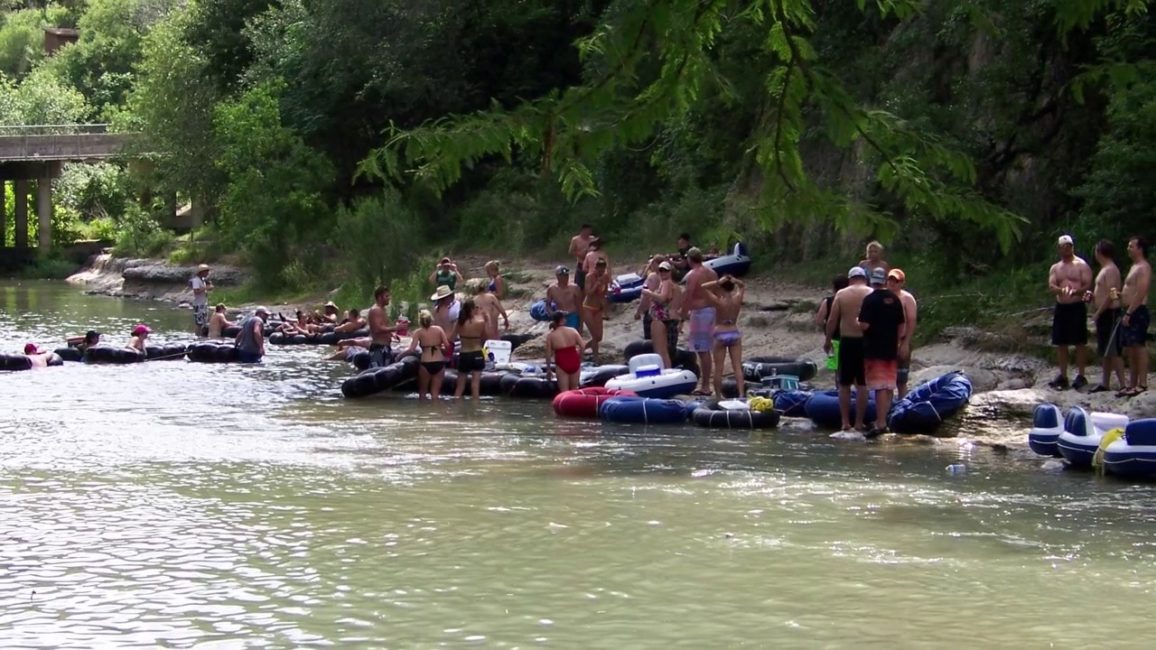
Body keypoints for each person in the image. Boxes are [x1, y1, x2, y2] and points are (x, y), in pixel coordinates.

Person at [858, 268, 906, 437]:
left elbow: (864, 325)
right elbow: (902, 325)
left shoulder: (870, 300)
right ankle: (884, 419)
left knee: (878, 387)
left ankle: (880, 422)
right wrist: (898, 340)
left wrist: (857, 322)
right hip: (890, 348)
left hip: (874, 348)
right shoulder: (895, 299)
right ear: (885, 281)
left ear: (871, 281)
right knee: (888, 385)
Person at [824, 267, 873, 432]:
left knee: (844, 383)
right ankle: (859, 422)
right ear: (864, 278)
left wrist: (828, 340)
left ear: (851, 279)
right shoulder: (871, 292)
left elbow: (832, 320)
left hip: (847, 341)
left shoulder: (842, 294)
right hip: (866, 342)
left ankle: (845, 422)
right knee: (862, 384)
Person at [1047, 235, 1093, 390]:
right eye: (1064, 246)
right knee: (1061, 342)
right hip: (1062, 307)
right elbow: (1052, 285)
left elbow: (1087, 284)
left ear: (1073, 246)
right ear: (1059, 248)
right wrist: (1061, 290)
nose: (1067, 248)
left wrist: (1076, 291)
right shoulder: (1056, 267)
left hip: (1076, 306)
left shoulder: (1081, 265)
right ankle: (1063, 375)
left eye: (1069, 245)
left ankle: (1081, 375)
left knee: (1080, 342)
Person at [1088, 240, 1126, 394]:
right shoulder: (1105, 269)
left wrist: (1099, 312)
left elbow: (1112, 293)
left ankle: (1123, 384)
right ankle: (1105, 383)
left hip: (1110, 313)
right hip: (1104, 313)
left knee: (1113, 349)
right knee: (1104, 349)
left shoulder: (1110, 269)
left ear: (1100, 252)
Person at [701, 275, 746, 398]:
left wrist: (717, 282)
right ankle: (741, 394)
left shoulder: (718, 301)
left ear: (721, 288)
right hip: (734, 331)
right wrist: (735, 280)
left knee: (719, 368)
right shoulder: (737, 299)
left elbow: (703, 287)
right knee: (737, 366)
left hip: (720, 332)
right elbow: (742, 286)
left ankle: (718, 396)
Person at [681, 247, 719, 396]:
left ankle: (705, 386)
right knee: (707, 349)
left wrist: (682, 317)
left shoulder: (693, 275)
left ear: (690, 259)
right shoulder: (712, 272)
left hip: (700, 313)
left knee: (702, 350)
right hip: (712, 311)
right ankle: (706, 384)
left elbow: (688, 296)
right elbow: (717, 292)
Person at [1118, 235, 1151, 397]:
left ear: (1140, 249)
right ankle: (1132, 383)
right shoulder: (1134, 266)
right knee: (1130, 348)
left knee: (1139, 346)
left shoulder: (1143, 267)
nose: (1128, 249)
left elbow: (1141, 291)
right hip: (1128, 309)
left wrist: (1130, 311)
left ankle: (1143, 383)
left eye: (1131, 246)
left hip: (1137, 311)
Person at [405, 309, 451, 400]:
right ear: (431, 319)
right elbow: (447, 345)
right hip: (439, 362)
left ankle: (423, 413)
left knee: (422, 394)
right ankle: (434, 412)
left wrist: (400, 355)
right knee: (435, 395)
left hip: (425, 363)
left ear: (420, 321)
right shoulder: (439, 329)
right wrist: (440, 349)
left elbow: (412, 349)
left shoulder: (418, 332)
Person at [641, 260, 678, 370]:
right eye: (660, 271)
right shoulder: (671, 285)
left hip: (660, 318)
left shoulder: (667, 283)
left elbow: (662, 298)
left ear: (670, 272)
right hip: (664, 317)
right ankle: (667, 369)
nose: (662, 273)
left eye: (665, 271)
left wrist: (648, 293)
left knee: (660, 350)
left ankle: (665, 370)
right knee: (663, 350)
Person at [886, 269, 918, 397]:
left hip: (901, 340)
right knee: (886, 379)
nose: (892, 283)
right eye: (890, 280)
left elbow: (911, 321)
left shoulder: (907, 298)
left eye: (896, 281)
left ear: (902, 283)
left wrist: (906, 343)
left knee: (901, 379)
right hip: (885, 341)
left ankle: (902, 402)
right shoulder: (881, 296)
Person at [454, 298, 489, 400]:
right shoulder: (480, 322)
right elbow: (486, 337)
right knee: (475, 385)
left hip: (464, 353)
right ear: (473, 309)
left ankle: (455, 411)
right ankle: (475, 411)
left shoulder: (459, 322)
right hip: (477, 353)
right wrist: (486, 321)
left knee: (460, 386)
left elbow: (451, 337)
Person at [815, 276, 850, 369]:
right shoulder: (852, 300)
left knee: (836, 369)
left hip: (833, 339)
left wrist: (826, 328)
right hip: (851, 337)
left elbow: (819, 320)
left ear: (834, 288)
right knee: (852, 369)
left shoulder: (828, 301)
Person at [545, 311, 585, 392]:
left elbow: (548, 354)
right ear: (563, 320)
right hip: (574, 359)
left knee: (564, 392)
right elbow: (582, 346)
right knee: (574, 390)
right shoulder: (573, 331)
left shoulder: (551, 336)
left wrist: (549, 369)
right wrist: (580, 358)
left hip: (561, 361)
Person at [582, 258, 610, 361]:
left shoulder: (605, 277)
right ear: (595, 268)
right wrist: (596, 284)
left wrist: (605, 309)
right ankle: (596, 357)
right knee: (594, 335)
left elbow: (604, 293)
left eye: (603, 270)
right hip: (588, 307)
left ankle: (582, 348)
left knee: (599, 337)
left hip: (598, 308)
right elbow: (588, 293)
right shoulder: (589, 277)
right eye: (599, 270)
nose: (601, 272)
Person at [635, 255, 665, 341]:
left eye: (653, 263)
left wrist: (638, 311)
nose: (651, 264)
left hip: (651, 311)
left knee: (650, 339)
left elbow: (646, 296)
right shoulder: (667, 278)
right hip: (663, 311)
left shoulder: (653, 277)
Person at [546, 266, 583, 330]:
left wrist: (581, 324)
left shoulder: (575, 288)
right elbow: (548, 305)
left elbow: (580, 307)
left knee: (571, 335)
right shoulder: (552, 289)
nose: (565, 277)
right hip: (560, 316)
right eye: (562, 276)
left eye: (566, 275)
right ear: (557, 276)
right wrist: (552, 314)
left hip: (572, 315)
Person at [368, 286, 396, 368]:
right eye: (386, 296)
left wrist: (392, 334)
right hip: (378, 348)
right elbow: (377, 329)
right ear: (380, 297)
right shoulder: (376, 310)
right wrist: (396, 328)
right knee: (377, 373)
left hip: (386, 347)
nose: (389, 298)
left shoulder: (382, 309)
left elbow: (383, 327)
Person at [568, 224, 595, 291]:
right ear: (583, 231)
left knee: (591, 283)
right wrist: (580, 254)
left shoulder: (592, 238)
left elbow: (597, 249)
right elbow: (571, 251)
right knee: (579, 285)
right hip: (581, 263)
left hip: (591, 264)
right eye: (588, 231)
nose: (589, 232)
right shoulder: (575, 239)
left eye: (590, 231)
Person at [190, 264, 213, 335]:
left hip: (203, 303)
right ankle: (197, 337)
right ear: (202, 272)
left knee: (204, 322)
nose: (207, 274)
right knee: (199, 323)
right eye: (206, 272)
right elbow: (196, 291)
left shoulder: (203, 280)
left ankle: (201, 336)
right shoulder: (196, 280)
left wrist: (208, 288)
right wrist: (206, 288)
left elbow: (202, 291)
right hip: (198, 304)